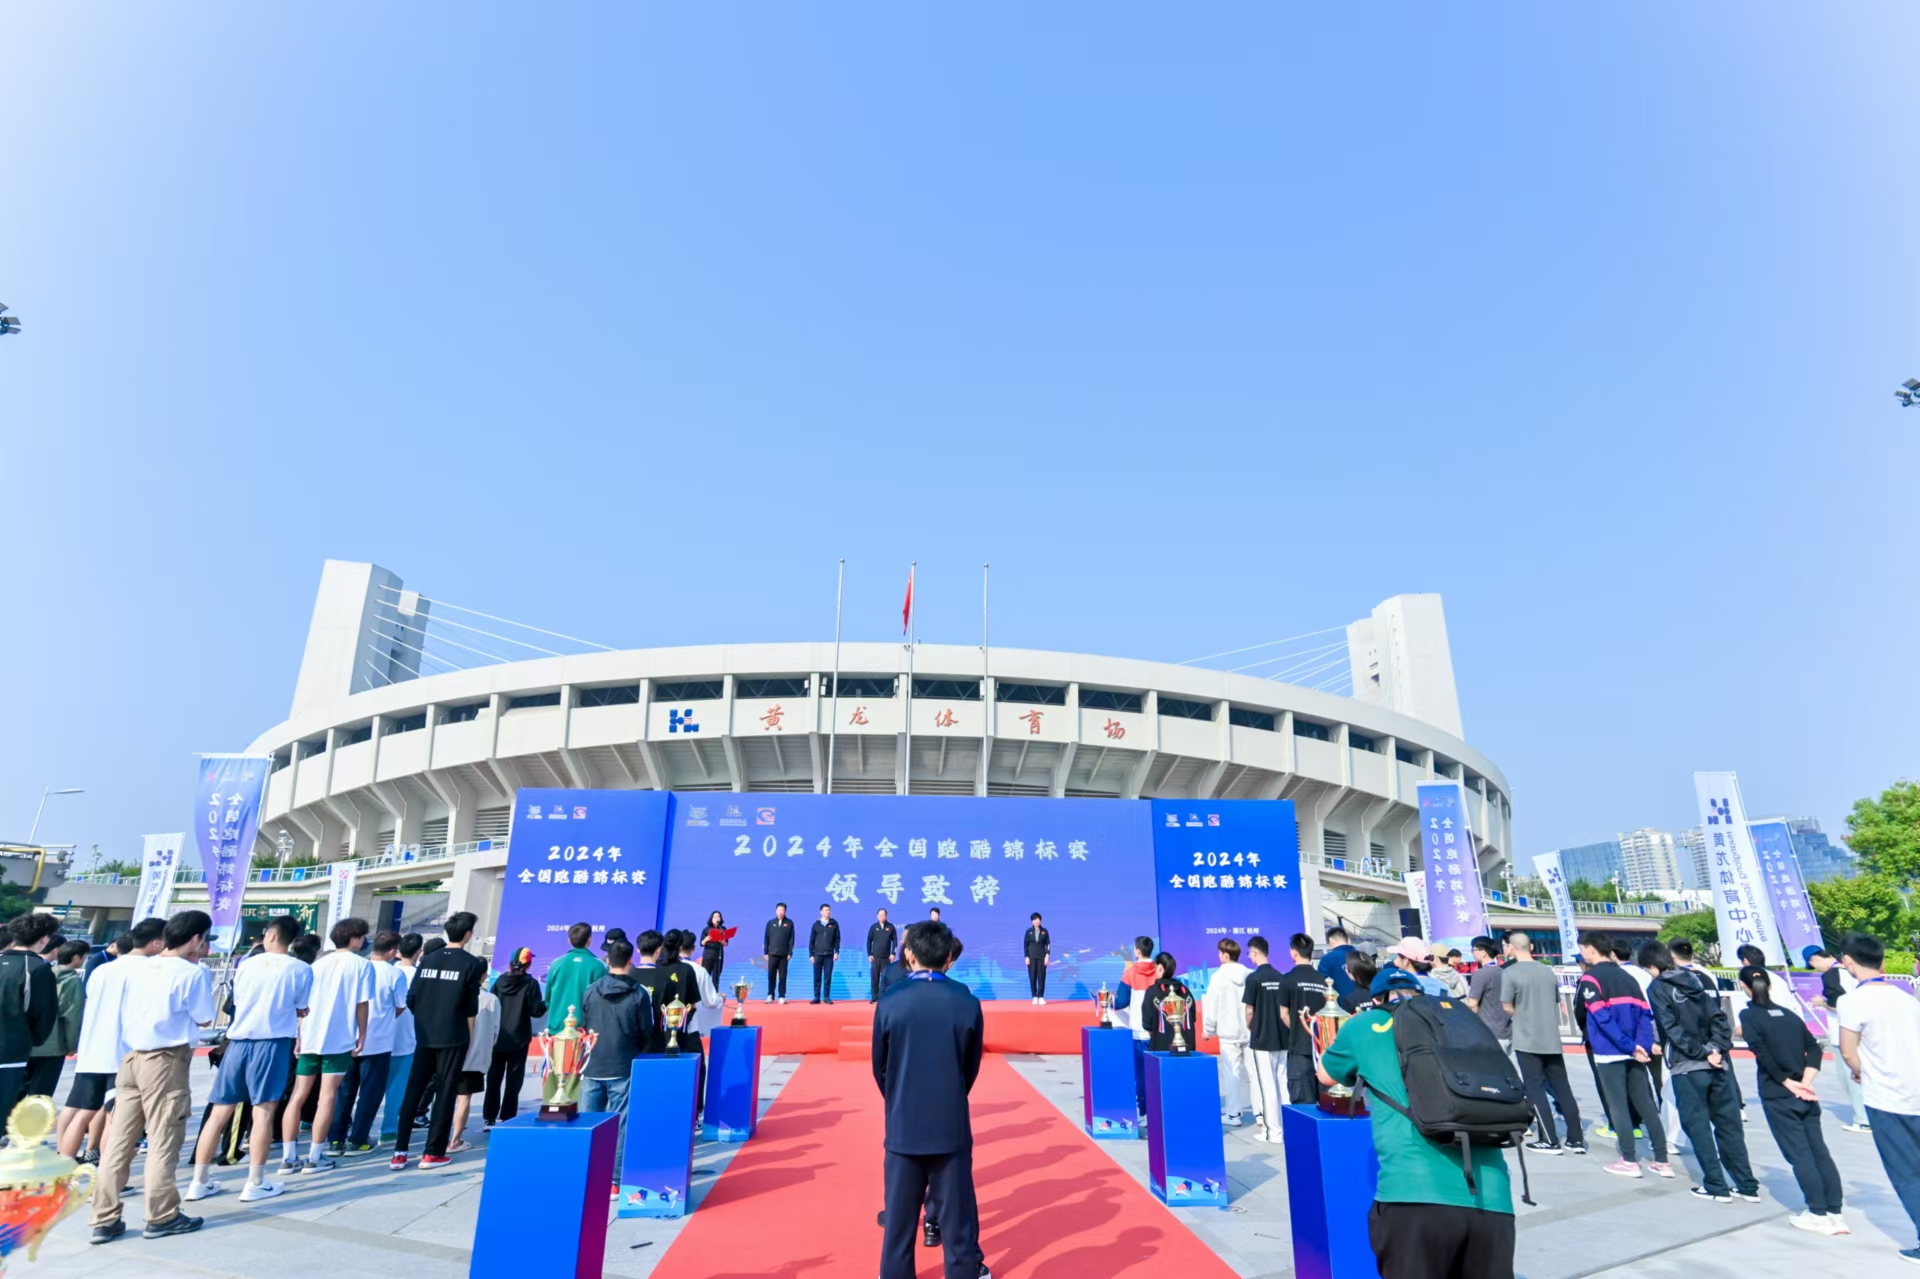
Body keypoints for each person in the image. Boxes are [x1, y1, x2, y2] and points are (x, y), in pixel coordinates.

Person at [1320, 967, 1516, 1279]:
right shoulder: (1460, 1022)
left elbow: (1326, 1075)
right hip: (1493, 1198)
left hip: (1413, 1194)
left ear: (1377, 999)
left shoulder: (1365, 1024)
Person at [89, 909, 216, 1245]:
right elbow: (205, 1017)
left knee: (119, 1142)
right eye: (204, 939)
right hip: (166, 1061)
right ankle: (162, 1215)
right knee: (163, 1140)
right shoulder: (192, 973)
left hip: (131, 1058)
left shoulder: (140, 967)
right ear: (195, 939)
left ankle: (104, 1219)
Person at [872, 921, 988, 1279]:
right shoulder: (967, 1002)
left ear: (909, 954)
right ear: (948, 955)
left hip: (903, 1128)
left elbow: (881, 1068)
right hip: (950, 1128)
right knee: (958, 1229)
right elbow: (970, 1068)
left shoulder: (890, 1001)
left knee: (898, 1228)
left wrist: (900, 1099)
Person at [184, 914, 310, 1205]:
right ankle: (255, 1182)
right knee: (263, 1112)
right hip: (272, 1043)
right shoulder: (301, 969)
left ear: (272, 936)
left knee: (219, 1113)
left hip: (238, 1042)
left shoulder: (247, 964)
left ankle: (198, 1182)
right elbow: (302, 1007)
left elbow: (237, 1001)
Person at [1645, 941, 1758, 1203]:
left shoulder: (1658, 987)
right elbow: (1719, 1018)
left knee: (1697, 1126)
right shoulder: (1695, 979)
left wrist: (1701, 1052)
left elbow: (1670, 1027)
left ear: (1652, 965)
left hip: (1689, 1065)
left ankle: (1716, 1185)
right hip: (1719, 1063)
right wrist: (1716, 1048)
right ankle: (1746, 1185)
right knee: (1729, 1126)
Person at [1738, 968, 1846, 1234]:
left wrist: (1786, 1082)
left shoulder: (1749, 1016)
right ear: (1770, 986)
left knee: (1799, 1154)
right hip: (1805, 1093)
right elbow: (1814, 1048)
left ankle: (1817, 1212)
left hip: (1778, 1093)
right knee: (1819, 1152)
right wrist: (1806, 1082)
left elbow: (1761, 1053)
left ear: (1743, 986)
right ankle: (1835, 1212)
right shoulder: (1789, 1015)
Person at [1836, 931, 1920, 1264]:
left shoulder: (1852, 1001)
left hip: (1888, 1099)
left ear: (1848, 963)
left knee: (1907, 1172)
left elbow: (1848, 1052)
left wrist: (1861, 1071)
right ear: (1882, 961)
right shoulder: (1906, 998)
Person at [60, 917, 166, 1160]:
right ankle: (108, 1171)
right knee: (116, 1116)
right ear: (156, 943)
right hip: (124, 1054)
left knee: (82, 1113)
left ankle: (63, 1171)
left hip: (92, 1051)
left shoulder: (102, 970)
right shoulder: (150, 970)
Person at [391, 912, 487, 1170]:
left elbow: (412, 999)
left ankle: (399, 1152)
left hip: (424, 1035)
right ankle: (432, 1153)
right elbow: (470, 1008)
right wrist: (469, 1037)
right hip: (453, 1036)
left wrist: (427, 1019)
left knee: (414, 1090)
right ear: (468, 934)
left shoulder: (428, 959)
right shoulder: (470, 963)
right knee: (444, 1093)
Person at [1573, 933, 1669, 1178]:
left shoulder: (1590, 979)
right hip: (1635, 1051)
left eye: (1582, 948)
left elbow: (1601, 1018)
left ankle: (1629, 1160)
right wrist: (1641, 1046)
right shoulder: (1629, 977)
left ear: (1591, 949)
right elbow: (1644, 1015)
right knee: (1646, 1105)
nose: (1582, 953)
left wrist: (1629, 1046)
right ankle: (1661, 1160)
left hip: (1610, 1051)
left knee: (1618, 1106)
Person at [282, 917, 373, 1174]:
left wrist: (299, 1036)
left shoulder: (317, 964)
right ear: (354, 938)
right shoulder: (362, 965)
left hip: (310, 1035)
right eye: (361, 936)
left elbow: (303, 1004)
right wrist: (362, 1034)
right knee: (328, 1096)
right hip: (338, 1038)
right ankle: (315, 1156)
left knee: (298, 1095)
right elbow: (362, 1004)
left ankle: (288, 1157)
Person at [1502, 931, 1586, 1155]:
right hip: (1551, 1037)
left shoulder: (1510, 973)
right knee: (1562, 1088)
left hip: (1527, 1038)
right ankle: (1576, 1140)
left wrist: (1520, 1014)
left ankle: (1549, 1140)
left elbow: (1507, 1006)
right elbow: (1556, 1000)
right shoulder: (1547, 971)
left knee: (1534, 1088)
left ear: (1511, 948)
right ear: (1531, 947)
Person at [332, 929, 408, 1156]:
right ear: (393, 951)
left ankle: (335, 1139)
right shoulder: (394, 974)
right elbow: (400, 1006)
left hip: (348, 1039)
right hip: (378, 1042)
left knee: (344, 1092)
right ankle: (358, 1140)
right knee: (369, 1093)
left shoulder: (358, 967)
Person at [579, 938, 651, 1152]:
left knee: (588, 1127)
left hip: (592, 1065)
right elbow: (645, 1032)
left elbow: (584, 1025)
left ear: (608, 960)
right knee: (621, 1128)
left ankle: (588, 1169)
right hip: (622, 1065)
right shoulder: (640, 993)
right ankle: (616, 1173)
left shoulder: (590, 990)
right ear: (630, 960)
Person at [0, 912, 60, 1124]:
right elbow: (44, 1014)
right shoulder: (38, 968)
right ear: (43, 939)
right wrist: (32, 1040)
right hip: (11, 1050)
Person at [1807, 946, 1872, 1132]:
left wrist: (1822, 1003)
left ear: (1815, 959)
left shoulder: (1831, 975)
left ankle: (1863, 1119)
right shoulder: (1852, 972)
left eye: (1813, 964)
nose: (1816, 968)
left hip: (1842, 1033)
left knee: (1850, 1078)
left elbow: (1838, 1005)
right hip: (1862, 1031)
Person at [487, 946, 547, 1126]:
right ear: (528, 964)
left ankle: (489, 1117)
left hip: (497, 1036)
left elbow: (492, 1005)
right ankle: (508, 1116)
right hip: (519, 1038)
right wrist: (548, 1001)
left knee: (494, 1078)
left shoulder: (499, 981)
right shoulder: (530, 983)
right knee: (513, 1081)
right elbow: (536, 1011)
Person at [26, 938, 89, 1099]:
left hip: (31, 1043)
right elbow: (71, 1016)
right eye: (84, 957)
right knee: (40, 1095)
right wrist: (72, 1044)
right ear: (76, 957)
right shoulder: (72, 981)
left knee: (19, 1092)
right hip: (54, 1046)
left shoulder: (43, 973)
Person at [1240, 936, 1287, 1143]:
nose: (1249, 957)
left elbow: (1249, 1010)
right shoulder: (1281, 977)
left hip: (1262, 1037)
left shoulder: (1254, 978)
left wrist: (1250, 1025)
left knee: (1267, 1086)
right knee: (1283, 1084)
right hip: (1282, 1036)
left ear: (1255, 953)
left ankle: (1273, 1132)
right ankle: (1287, 1128)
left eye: (1250, 953)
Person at [1202, 937, 1251, 1126]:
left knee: (1233, 1075)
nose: (1218, 956)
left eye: (1220, 953)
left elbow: (1211, 1006)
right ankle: (1262, 1114)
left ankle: (1233, 1114)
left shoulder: (1218, 977)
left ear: (1225, 955)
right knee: (1256, 1075)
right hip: (1250, 1031)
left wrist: (1208, 1030)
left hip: (1228, 1033)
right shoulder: (1249, 974)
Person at [447, 980, 500, 1153]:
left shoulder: (452, 994)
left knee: (444, 1098)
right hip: (474, 1057)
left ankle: (440, 1139)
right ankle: (455, 1140)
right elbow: (495, 1031)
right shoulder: (490, 999)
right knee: (463, 1099)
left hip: (449, 1055)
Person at [1280, 933, 1332, 1104]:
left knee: (1303, 1103)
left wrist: (1298, 1028)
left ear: (1294, 952)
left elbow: (1283, 1014)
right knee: (1327, 1103)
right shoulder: (1324, 981)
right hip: (1322, 1049)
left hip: (1299, 1049)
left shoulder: (1287, 979)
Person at [380, 933, 421, 1142]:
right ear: (419, 952)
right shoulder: (418, 975)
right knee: (398, 1086)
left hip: (379, 1037)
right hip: (406, 1037)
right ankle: (388, 1128)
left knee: (372, 1086)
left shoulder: (388, 971)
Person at [542, 922, 607, 1031]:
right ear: (590, 940)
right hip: (585, 1031)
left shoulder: (555, 964)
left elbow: (548, 1000)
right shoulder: (599, 966)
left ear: (569, 941)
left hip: (557, 1029)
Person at [1464, 936, 1511, 1057]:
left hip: (1489, 1032)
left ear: (1483, 952)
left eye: (1474, 950)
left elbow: (1472, 1004)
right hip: (1507, 1030)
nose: (1473, 953)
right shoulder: (1504, 972)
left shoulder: (1480, 974)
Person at [1141, 953, 1195, 1053]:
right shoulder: (1186, 992)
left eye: (1155, 967)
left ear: (1160, 968)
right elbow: (1193, 1019)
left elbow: (1147, 1024)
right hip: (1187, 1049)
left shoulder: (1152, 992)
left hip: (1162, 1051)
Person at [809, 903, 842, 1005]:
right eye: (826, 910)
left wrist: (836, 952)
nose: (828, 912)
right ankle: (816, 997)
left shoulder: (834, 923)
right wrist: (811, 955)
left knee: (827, 977)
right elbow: (812, 941)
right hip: (817, 954)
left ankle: (826, 997)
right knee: (817, 977)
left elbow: (837, 939)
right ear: (821, 912)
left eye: (829, 910)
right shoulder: (816, 924)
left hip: (829, 954)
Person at [764, 902, 795, 1003]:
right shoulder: (770, 923)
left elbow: (791, 939)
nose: (780, 912)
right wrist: (766, 952)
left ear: (785, 911)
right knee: (771, 975)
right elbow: (766, 938)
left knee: (782, 976)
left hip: (784, 955)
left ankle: (782, 996)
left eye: (782, 910)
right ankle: (770, 995)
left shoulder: (789, 923)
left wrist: (790, 952)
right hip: (772, 954)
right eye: (779, 910)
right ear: (776, 911)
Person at [867, 908, 899, 1002]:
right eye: (880, 915)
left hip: (886, 958)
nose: (882, 917)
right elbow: (869, 941)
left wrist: (893, 953)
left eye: (884, 915)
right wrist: (869, 954)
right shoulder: (874, 927)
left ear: (886, 916)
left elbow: (895, 941)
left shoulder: (891, 927)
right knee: (874, 978)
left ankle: (884, 997)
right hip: (875, 958)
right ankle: (874, 997)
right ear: (877, 916)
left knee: (886, 978)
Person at [1318, 926, 1357, 1002]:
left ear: (1331, 941)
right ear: (1347, 940)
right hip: (1364, 1005)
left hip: (1339, 1006)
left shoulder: (1327, 959)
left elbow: (1322, 986)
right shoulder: (1362, 956)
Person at [1023, 913, 1051, 1005]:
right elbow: (1025, 945)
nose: (1036, 921)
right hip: (1031, 957)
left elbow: (1048, 944)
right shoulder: (1028, 931)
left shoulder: (1044, 931)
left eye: (1037, 919)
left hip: (1042, 957)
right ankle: (1034, 997)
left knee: (1041, 977)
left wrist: (1047, 956)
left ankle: (1041, 997)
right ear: (1032, 921)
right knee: (1032, 977)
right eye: (1034, 919)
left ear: (1040, 920)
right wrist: (1026, 957)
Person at [700, 911, 734, 983]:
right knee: (706, 977)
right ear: (711, 919)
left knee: (716, 978)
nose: (717, 918)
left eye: (719, 917)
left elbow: (726, 943)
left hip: (719, 955)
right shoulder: (706, 929)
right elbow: (701, 943)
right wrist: (706, 939)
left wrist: (722, 941)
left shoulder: (723, 929)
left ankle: (715, 989)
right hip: (708, 955)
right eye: (715, 917)